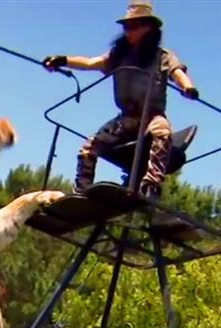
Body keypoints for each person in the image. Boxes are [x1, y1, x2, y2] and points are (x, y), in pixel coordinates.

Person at [42, 1, 199, 200]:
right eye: (126, 27)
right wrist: (63, 60)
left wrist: (187, 88)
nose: (127, 31)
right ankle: (81, 192)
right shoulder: (119, 56)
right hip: (126, 118)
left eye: (133, 26)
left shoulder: (163, 57)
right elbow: (92, 63)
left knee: (162, 132)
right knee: (88, 148)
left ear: (148, 28)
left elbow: (177, 73)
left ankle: (151, 185)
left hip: (151, 115)